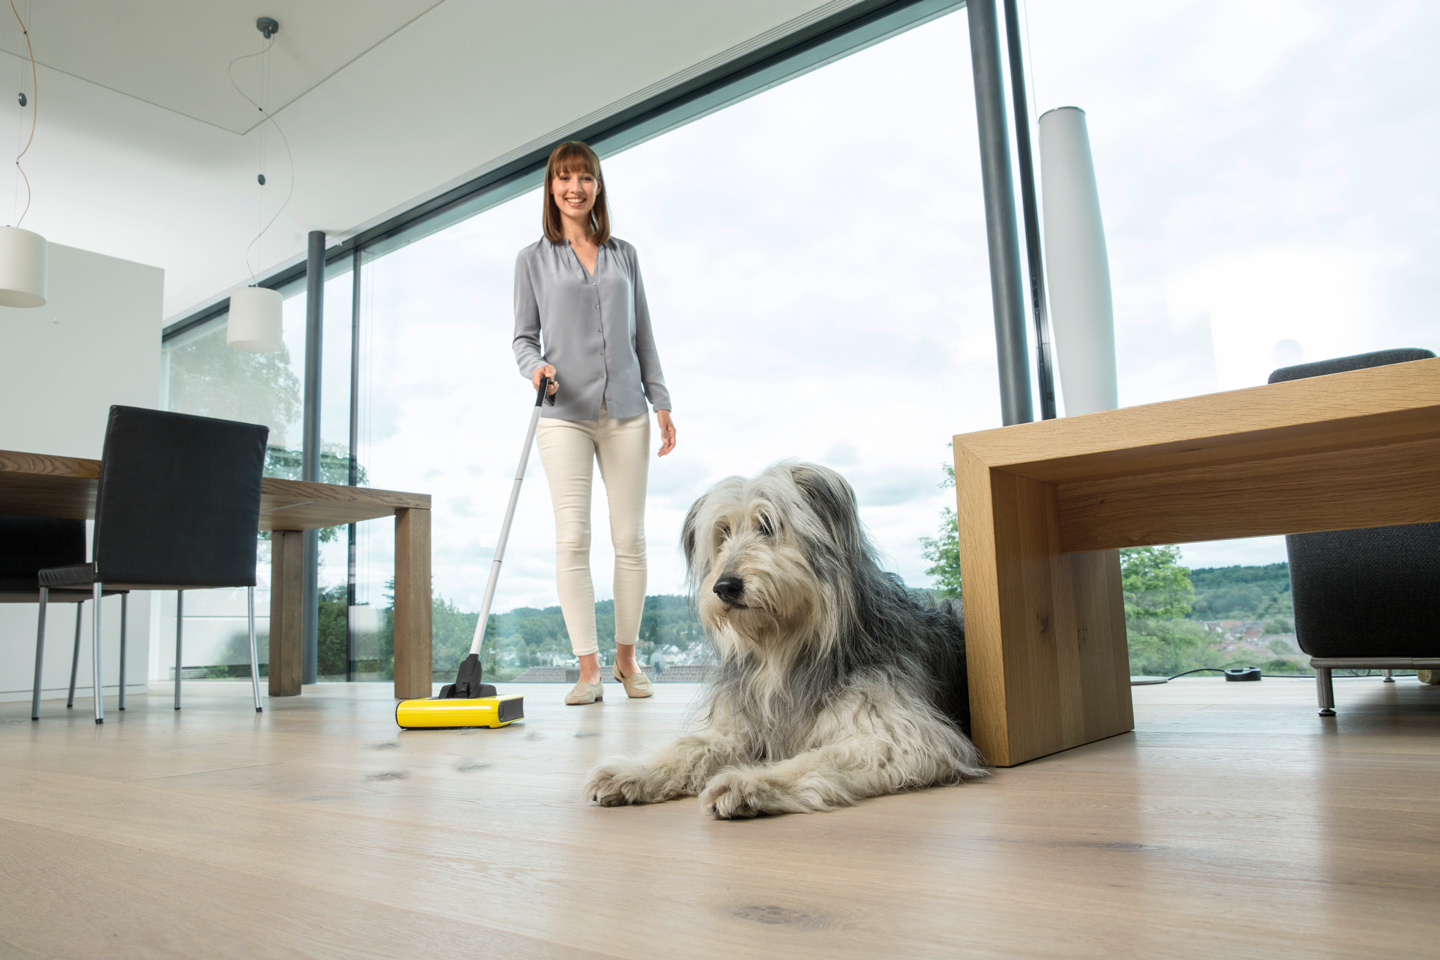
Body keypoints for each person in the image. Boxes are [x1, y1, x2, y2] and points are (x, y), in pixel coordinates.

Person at [513, 141, 676, 705]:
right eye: (564, 178)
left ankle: (627, 662)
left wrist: (662, 401)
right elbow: (522, 338)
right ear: (551, 188)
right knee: (573, 540)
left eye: (584, 177)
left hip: (628, 411)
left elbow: (644, 333)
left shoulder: (624, 254)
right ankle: (588, 671)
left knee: (629, 540)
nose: (574, 188)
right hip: (564, 415)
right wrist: (536, 368)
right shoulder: (532, 259)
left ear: (597, 187)